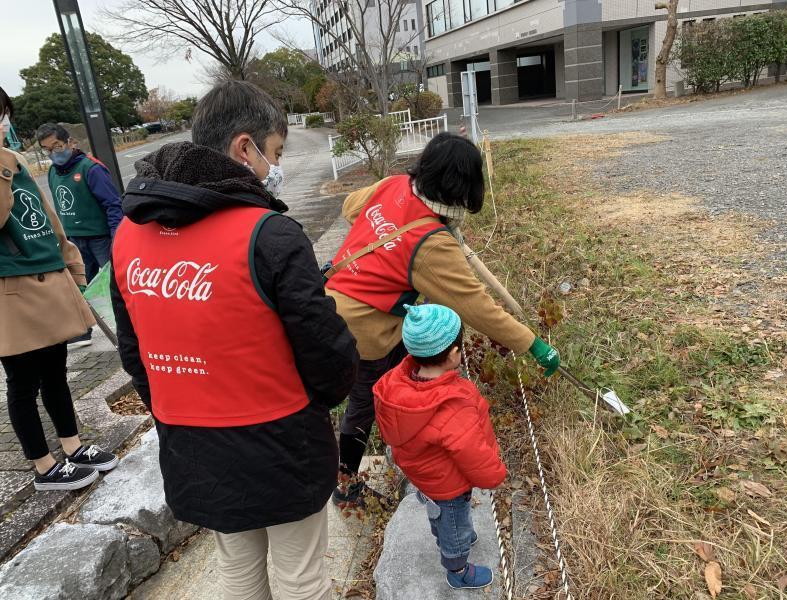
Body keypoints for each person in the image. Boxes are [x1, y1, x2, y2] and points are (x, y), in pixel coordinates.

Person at [110, 80, 359, 600]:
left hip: (192, 445)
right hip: (282, 440)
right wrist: (325, 400)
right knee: (301, 577)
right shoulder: (269, 234)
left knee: (237, 571)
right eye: (275, 153)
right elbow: (327, 351)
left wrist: (176, 410)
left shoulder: (128, 235)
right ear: (245, 147)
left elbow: (134, 353)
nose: (275, 166)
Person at [325, 132, 559, 506]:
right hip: (365, 328)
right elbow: (478, 306)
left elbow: (351, 206)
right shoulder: (431, 244)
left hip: (338, 303)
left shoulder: (394, 185)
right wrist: (532, 344)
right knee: (366, 402)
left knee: (403, 375)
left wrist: (389, 226)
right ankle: (347, 484)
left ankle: (402, 449)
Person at [0, 86, 118, 492]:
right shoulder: (5, 163)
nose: (3, 124)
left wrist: (73, 266)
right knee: (22, 384)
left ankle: (73, 445)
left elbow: (47, 217)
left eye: (4, 114)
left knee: (56, 373)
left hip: (48, 277)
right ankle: (43, 465)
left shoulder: (15, 160)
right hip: (10, 291)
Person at [374, 303, 506, 589]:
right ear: (453, 354)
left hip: (425, 475)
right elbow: (470, 450)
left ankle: (451, 531)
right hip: (449, 485)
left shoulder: (396, 387)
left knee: (440, 514)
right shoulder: (452, 403)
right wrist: (494, 475)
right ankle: (458, 570)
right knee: (453, 524)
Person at [37, 122, 123, 348]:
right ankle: (83, 331)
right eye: (47, 150)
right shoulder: (53, 172)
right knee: (79, 288)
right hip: (74, 240)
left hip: (101, 239)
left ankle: (129, 328)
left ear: (70, 142)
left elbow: (113, 205)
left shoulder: (91, 169)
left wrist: (116, 237)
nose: (53, 153)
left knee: (115, 285)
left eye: (57, 146)